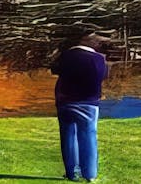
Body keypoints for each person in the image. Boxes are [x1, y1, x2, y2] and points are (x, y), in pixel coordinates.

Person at [50, 32, 111, 182]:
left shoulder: (65, 56)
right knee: (88, 136)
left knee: (68, 136)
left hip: (65, 101)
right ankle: (89, 174)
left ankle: (72, 173)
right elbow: (103, 75)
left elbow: (54, 69)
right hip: (89, 102)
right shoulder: (98, 59)